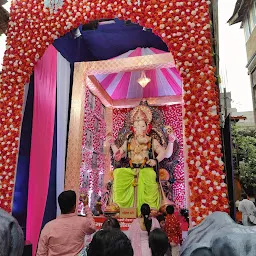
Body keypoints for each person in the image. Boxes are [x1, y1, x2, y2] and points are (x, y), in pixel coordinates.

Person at [106, 102, 177, 215]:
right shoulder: (128, 141)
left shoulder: (151, 141)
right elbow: (119, 153)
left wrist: (156, 160)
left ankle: (151, 206)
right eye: (136, 126)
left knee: (150, 175)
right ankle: (118, 204)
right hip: (131, 168)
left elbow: (164, 153)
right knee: (119, 173)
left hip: (146, 168)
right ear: (132, 128)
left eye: (142, 126)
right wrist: (113, 146)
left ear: (147, 127)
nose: (139, 129)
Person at [36, 190, 96, 256]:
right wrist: (86, 206)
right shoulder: (82, 222)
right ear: (74, 206)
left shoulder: (48, 227)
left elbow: (41, 253)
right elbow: (93, 227)